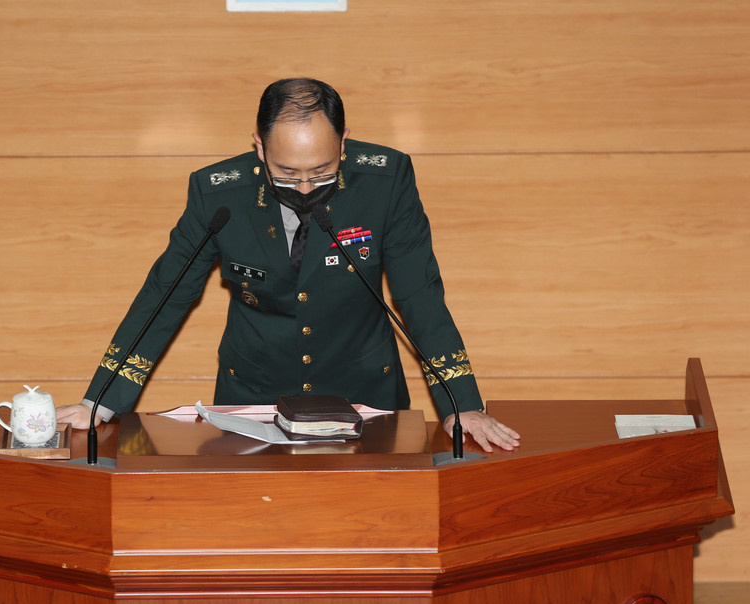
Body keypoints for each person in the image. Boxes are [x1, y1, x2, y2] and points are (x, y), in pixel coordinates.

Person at [58, 78, 519, 452]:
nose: (303, 189)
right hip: (253, 397)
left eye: (320, 173)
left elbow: (420, 295)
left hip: (364, 395)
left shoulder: (386, 181)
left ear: (345, 142)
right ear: (259, 147)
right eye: (286, 174)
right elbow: (165, 295)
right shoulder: (218, 193)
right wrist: (98, 401)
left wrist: (462, 403)